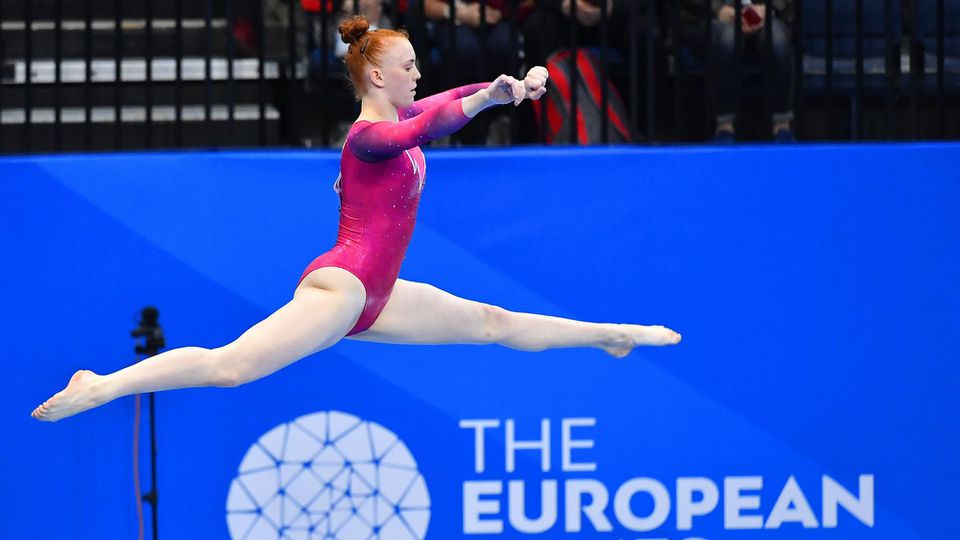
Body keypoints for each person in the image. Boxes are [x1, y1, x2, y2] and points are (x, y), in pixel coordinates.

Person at [31, 15, 681, 423]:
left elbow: (445, 101)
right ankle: (102, 385)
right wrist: (487, 98)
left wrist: (503, 90)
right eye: (408, 67)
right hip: (341, 286)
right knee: (232, 368)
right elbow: (432, 123)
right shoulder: (369, 137)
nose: (418, 75)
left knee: (492, 323)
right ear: (375, 74)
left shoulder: (401, 114)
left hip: (380, 295)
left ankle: (611, 335)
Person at [679, 0, 797, 143]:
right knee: (728, 40)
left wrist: (769, 8)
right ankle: (724, 127)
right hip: (708, 17)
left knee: (777, 42)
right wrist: (718, 9)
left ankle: (782, 127)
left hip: (765, 15)